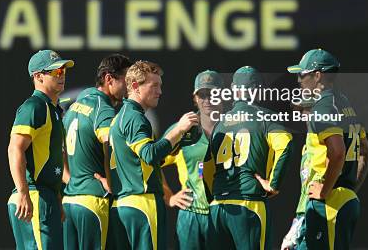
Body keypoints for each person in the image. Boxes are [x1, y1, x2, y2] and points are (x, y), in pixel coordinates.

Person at [108, 60, 199, 250]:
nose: (160, 91)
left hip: (122, 204)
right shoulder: (135, 117)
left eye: (161, 85)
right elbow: (149, 155)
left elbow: (141, 160)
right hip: (142, 204)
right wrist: (178, 131)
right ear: (135, 86)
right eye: (154, 85)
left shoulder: (120, 116)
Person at [286, 48, 368, 250]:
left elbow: (338, 152)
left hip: (330, 202)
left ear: (317, 75)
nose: (299, 80)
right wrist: (349, 187)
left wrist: (325, 190)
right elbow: (365, 152)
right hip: (343, 198)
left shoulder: (323, 107)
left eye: (302, 74)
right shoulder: (345, 104)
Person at [206, 66, 294, 250]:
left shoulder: (220, 123)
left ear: (233, 89)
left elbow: (205, 166)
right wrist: (274, 184)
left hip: (218, 207)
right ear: (258, 90)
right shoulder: (266, 118)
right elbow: (285, 144)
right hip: (248, 204)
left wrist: (210, 196)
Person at [62, 54, 133, 250]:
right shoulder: (103, 107)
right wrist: (111, 182)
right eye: (126, 80)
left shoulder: (76, 104)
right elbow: (112, 143)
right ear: (109, 79)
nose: (130, 87)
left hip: (69, 200)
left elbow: (59, 149)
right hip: (93, 202)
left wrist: (71, 178)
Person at [7, 50, 74, 250]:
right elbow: (14, 149)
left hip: (46, 196)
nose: (61, 74)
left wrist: (58, 198)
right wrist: (23, 192)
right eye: (55, 71)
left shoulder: (52, 108)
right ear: (38, 77)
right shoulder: (34, 106)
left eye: (63, 70)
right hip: (34, 195)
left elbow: (54, 155)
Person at [161, 70, 223, 250]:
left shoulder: (232, 128)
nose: (208, 99)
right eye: (202, 94)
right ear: (195, 98)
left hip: (223, 212)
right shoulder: (184, 129)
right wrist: (169, 197)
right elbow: (151, 162)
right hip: (191, 214)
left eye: (213, 93)